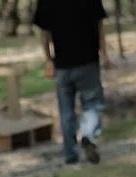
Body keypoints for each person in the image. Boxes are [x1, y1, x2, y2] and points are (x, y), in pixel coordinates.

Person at [33, 0, 110, 166]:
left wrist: (48, 60)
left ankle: (70, 154)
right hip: (88, 61)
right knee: (93, 104)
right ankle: (88, 135)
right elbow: (100, 26)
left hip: (62, 64)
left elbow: (43, 33)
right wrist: (104, 54)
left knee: (66, 111)